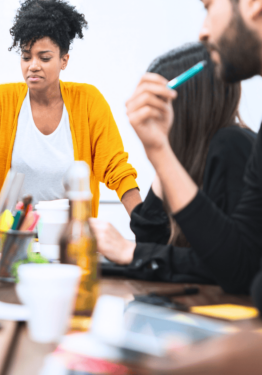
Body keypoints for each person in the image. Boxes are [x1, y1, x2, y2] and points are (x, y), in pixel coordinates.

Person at [125, 0, 262, 375]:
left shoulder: (234, 145)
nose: (204, 31)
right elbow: (242, 262)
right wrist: (160, 151)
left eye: (208, 5)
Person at [0, 0, 141, 218]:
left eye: (44, 58)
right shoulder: (0, 101)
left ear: (64, 60)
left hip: (70, 243)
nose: (33, 66)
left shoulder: (89, 101)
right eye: (25, 57)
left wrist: (145, 225)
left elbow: (116, 168)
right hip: (11, 242)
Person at [90, 42, 255, 284]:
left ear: (185, 103)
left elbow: (228, 262)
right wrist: (164, 154)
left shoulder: (231, 144)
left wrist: (129, 251)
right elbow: (150, 239)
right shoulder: (188, 157)